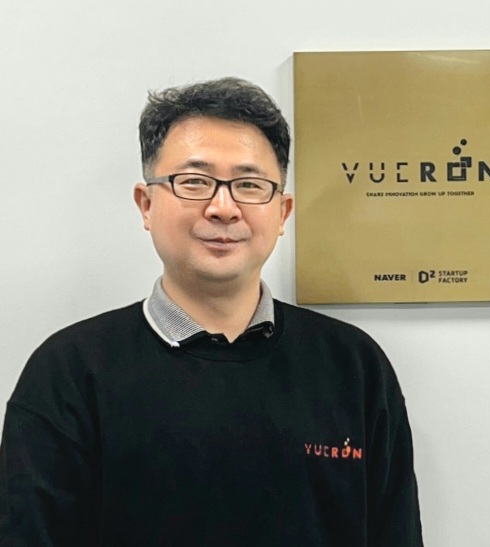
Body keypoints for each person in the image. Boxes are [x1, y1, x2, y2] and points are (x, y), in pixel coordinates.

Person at [0, 77, 423, 546]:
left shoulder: (354, 366)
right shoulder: (69, 373)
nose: (224, 208)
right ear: (146, 204)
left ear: (282, 213)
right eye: (195, 182)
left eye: (249, 185)